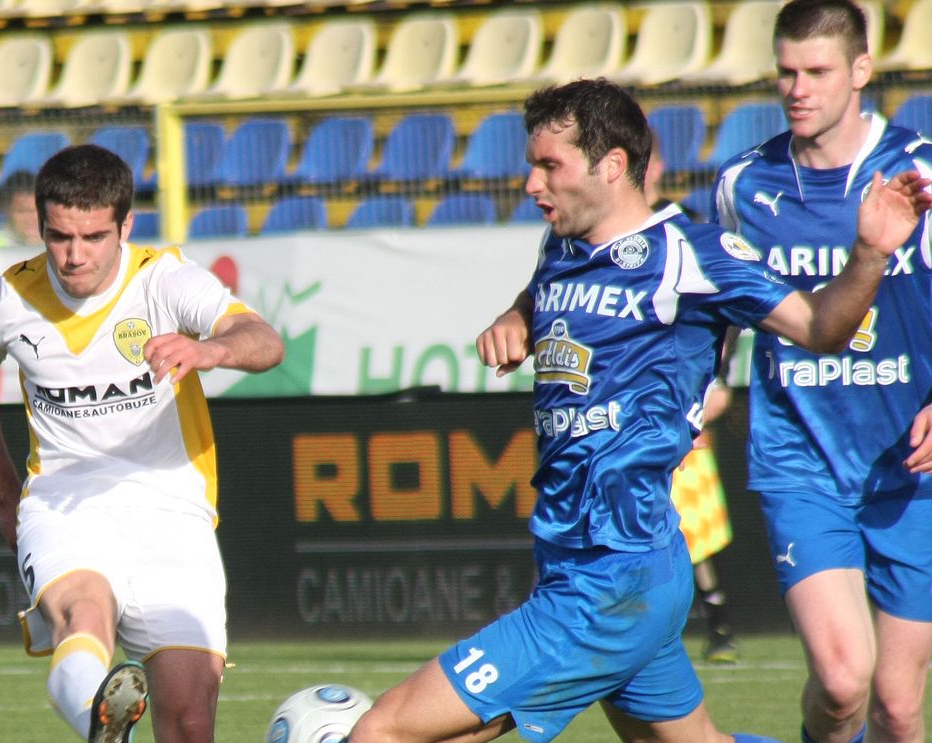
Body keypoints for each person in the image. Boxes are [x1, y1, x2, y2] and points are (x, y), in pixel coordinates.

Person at [346, 77, 931, 743]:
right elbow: (548, 291)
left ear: (612, 165)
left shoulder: (693, 254)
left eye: (549, 166)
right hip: (599, 564)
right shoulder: (562, 246)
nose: (533, 185)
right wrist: (517, 314)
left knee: (381, 732)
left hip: (610, 574)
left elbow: (821, 326)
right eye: (531, 165)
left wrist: (870, 254)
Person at [0, 144, 284, 743]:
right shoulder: (7, 299)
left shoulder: (164, 280)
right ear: (42, 225)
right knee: (86, 612)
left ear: (125, 226)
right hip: (66, 502)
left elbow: (263, 339)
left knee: (189, 720)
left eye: (93, 237)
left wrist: (211, 350)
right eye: (58, 237)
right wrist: (3, 491)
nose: (74, 256)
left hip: (172, 509)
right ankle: (102, 728)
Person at [712, 1, 932, 741]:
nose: (797, 88)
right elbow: (717, 301)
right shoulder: (744, 186)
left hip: (912, 464)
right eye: (785, 71)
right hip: (800, 456)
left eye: (817, 71)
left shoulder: (922, 172)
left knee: (898, 707)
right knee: (842, 685)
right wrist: (701, 389)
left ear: (861, 71)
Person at [647, 134, 740, 665]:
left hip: (682, 404)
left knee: (694, 525)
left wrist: (712, 380)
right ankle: (661, 626)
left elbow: (724, 316)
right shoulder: (605, 236)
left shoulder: (685, 227)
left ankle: (720, 622)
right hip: (637, 408)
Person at [0, 171, 43, 251]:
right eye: (22, 211)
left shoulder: (58, 243)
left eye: (38, 210)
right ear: (6, 209)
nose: (32, 218)